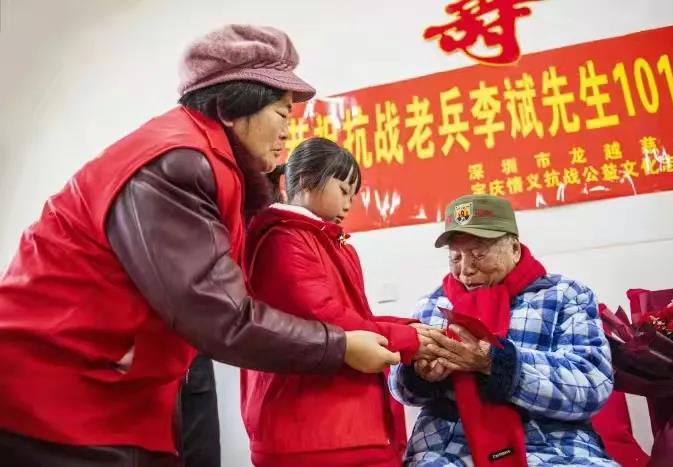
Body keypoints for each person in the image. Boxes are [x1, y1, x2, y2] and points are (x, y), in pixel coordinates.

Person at [0, 25, 398, 466]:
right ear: (229, 108)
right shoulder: (177, 160)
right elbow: (224, 316)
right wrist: (342, 346)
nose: (289, 132)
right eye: (282, 114)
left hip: (117, 390)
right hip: (53, 391)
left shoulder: (213, 165)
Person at [241, 137, 439, 467]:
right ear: (305, 180)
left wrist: (417, 329)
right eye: (343, 191)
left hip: (345, 426)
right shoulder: (282, 240)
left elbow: (358, 317)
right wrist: (411, 338)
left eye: (353, 195)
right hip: (312, 430)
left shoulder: (334, 244)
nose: (348, 204)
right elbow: (325, 317)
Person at [389, 194, 617, 467]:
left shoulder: (566, 295)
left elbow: (592, 385)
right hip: (447, 446)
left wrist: (495, 363)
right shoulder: (432, 305)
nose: (465, 271)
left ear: (514, 248)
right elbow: (401, 390)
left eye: (478, 254)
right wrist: (419, 375)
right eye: (455, 257)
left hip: (551, 443)